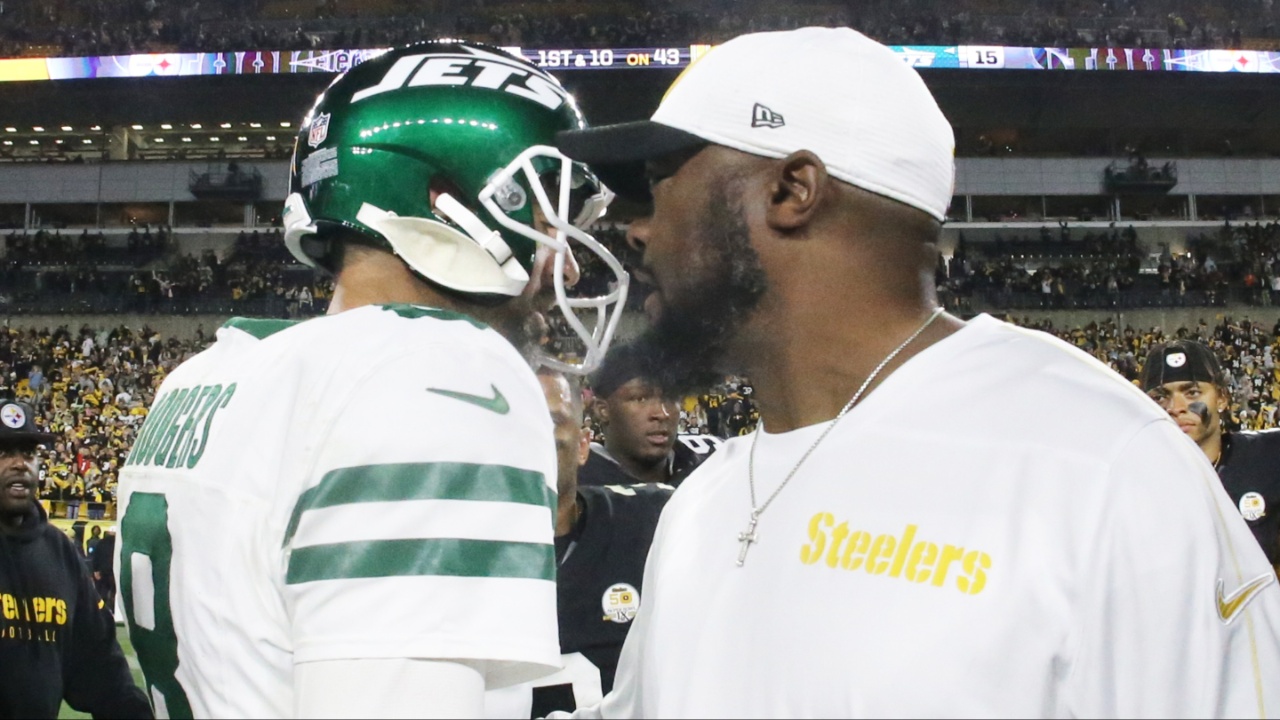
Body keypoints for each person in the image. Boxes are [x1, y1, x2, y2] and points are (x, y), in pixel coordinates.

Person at [554, 27, 1280, 717]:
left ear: (791, 190)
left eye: (659, 181)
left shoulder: (1101, 466)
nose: (637, 228)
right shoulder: (702, 500)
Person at [116, 41, 628, 719]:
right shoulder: (436, 373)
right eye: (543, 222)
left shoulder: (209, 371)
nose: (567, 268)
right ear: (448, 201)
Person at [0, 399, 151, 719]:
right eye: (3, 453)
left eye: (28, 453)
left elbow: (100, 669)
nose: (19, 464)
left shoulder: (59, 551)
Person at [1144, 340, 1280, 569]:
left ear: (1221, 398)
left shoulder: (1267, 456)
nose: (1175, 407)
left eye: (1192, 392)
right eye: (1159, 397)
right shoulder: (1130, 482)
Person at [581, 342, 720, 489]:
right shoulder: (577, 480)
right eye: (640, 399)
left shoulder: (713, 460)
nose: (662, 414)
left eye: (670, 397)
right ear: (602, 410)